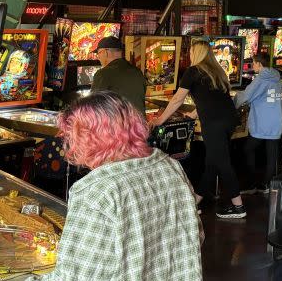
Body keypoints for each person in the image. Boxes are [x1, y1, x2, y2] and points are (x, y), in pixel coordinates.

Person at [35, 92, 201, 280]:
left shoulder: (96, 192)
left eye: (72, 137)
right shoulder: (171, 167)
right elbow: (196, 235)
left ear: (88, 139)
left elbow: (76, 276)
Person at [153, 41, 244, 219]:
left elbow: (178, 99)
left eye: (191, 52)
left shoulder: (193, 71)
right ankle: (194, 202)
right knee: (212, 163)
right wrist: (194, 114)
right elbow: (213, 98)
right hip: (228, 119)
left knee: (223, 163)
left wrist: (161, 119)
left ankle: (239, 207)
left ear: (197, 53)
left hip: (214, 123)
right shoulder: (217, 71)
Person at [235, 53, 282, 193]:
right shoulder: (276, 77)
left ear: (259, 64)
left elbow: (246, 96)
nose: (252, 66)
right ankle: (268, 184)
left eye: (254, 63)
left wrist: (231, 101)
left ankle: (252, 184)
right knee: (271, 153)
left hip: (263, 122)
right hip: (276, 121)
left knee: (248, 149)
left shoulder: (261, 79)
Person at [91, 36, 147, 114]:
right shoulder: (137, 71)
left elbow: (93, 106)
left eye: (98, 53)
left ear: (106, 52)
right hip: (139, 124)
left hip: (118, 125)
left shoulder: (103, 74)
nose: (98, 57)